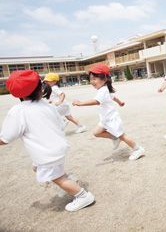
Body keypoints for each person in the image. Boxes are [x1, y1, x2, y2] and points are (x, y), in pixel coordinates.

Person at [0, 70, 95, 212]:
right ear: (40, 88)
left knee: (57, 178)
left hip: (47, 153)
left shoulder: (18, 111)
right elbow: (60, 124)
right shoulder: (48, 105)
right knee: (39, 167)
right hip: (58, 147)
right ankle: (70, 179)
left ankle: (82, 196)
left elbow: (6, 138)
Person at [72, 63, 145, 160]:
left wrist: (81, 103)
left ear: (104, 79)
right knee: (96, 133)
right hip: (105, 120)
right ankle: (115, 137)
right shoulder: (104, 89)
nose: (92, 81)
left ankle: (137, 149)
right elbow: (113, 97)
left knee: (123, 136)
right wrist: (120, 102)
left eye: (94, 79)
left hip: (112, 119)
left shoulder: (103, 90)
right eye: (91, 79)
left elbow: (96, 101)